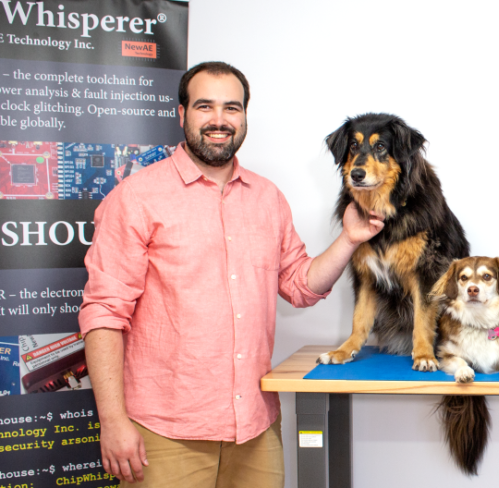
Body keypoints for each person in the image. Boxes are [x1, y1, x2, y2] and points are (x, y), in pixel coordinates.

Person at [78, 61, 383, 487]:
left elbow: (298, 285)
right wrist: (111, 423)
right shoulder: (135, 198)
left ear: (244, 118)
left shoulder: (267, 198)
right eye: (205, 107)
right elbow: (105, 315)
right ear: (181, 114)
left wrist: (349, 239)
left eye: (232, 108)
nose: (219, 120)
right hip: (164, 434)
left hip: (254, 429)